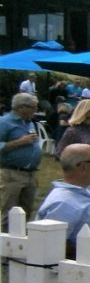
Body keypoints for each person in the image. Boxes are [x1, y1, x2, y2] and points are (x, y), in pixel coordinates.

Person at [0, 93, 42, 226]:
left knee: (26, 212)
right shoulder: (4, 122)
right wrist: (19, 142)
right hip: (12, 174)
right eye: (33, 107)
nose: (36, 110)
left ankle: (23, 237)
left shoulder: (29, 123)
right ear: (21, 107)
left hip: (30, 174)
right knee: (10, 212)